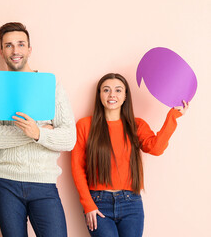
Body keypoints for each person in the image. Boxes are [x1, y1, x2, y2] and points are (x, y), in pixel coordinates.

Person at [0, 22, 76, 237]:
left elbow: (69, 138)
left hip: (43, 180)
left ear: (29, 49)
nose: (15, 51)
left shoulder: (51, 86)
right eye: (9, 45)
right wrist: (34, 133)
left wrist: (39, 133)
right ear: (1, 51)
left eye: (21, 44)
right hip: (5, 182)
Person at [71, 73, 188, 237]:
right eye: (106, 90)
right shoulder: (84, 125)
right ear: (99, 95)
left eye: (118, 90)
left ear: (125, 96)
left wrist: (173, 116)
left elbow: (156, 148)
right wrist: (88, 204)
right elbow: (77, 167)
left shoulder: (136, 125)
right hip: (98, 202)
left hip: (131, 204)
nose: (112, 95)